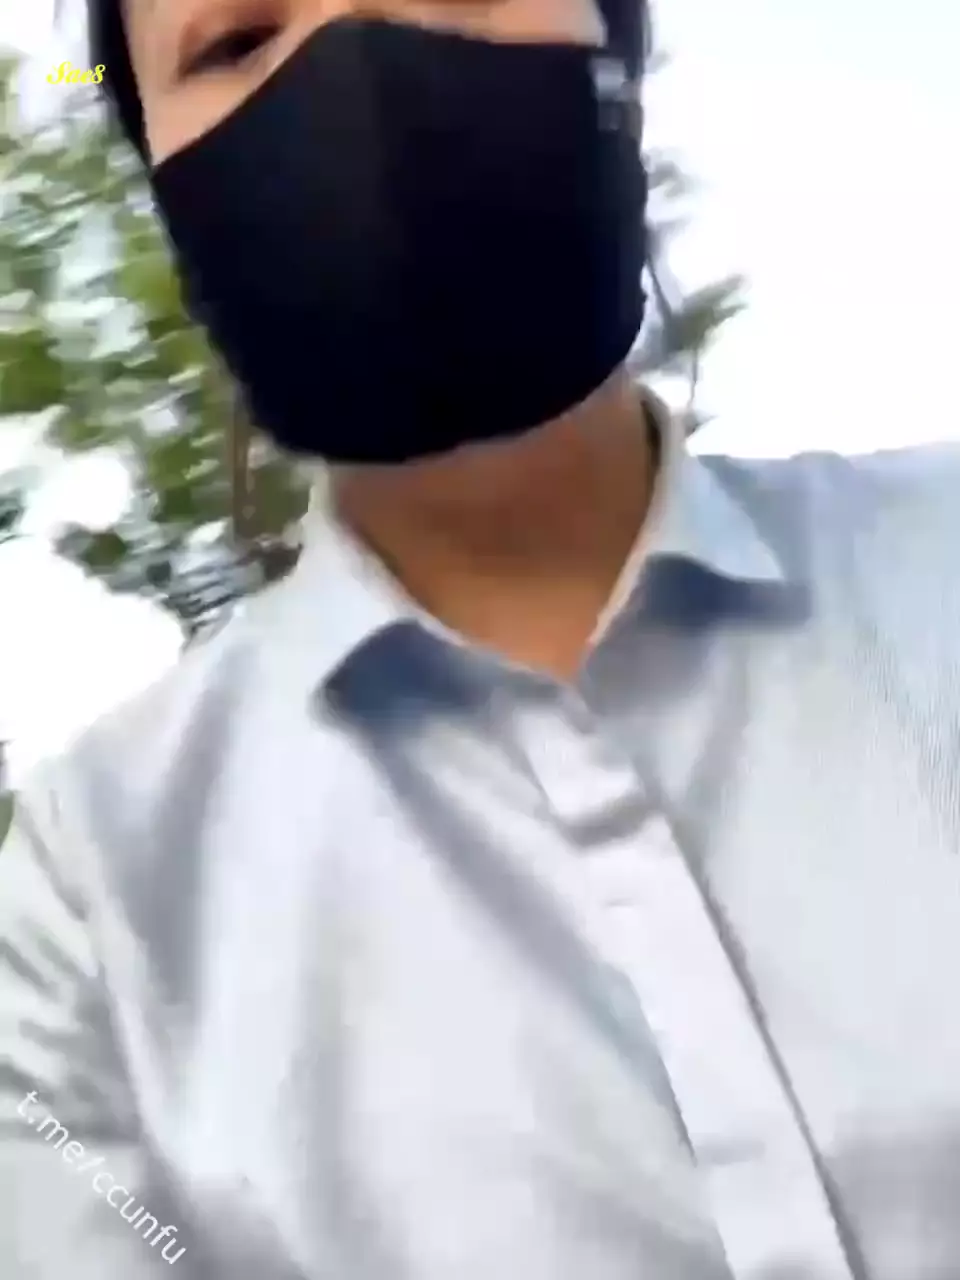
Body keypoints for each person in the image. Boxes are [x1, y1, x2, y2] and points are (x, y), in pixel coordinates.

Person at [2, 0, 960, 1276]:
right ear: (170, 199)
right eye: (235, 41)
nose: (359, 71)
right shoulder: (92, 901)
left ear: (616, 47)